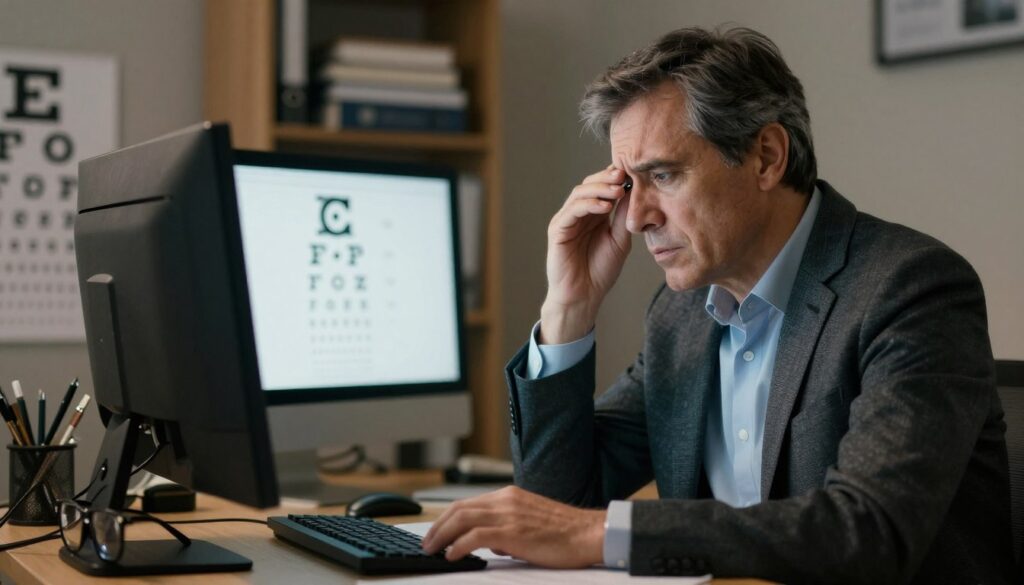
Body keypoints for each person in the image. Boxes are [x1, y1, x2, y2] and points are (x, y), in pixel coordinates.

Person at [421, 26, 1015, 584]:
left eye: (664, 176)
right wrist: (567, 309)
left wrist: (605, 530)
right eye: (628, 185)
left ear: (765, 157)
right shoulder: (680, 317)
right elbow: (557, 508)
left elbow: (869, 531)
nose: (635, 217)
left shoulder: (910, 288)